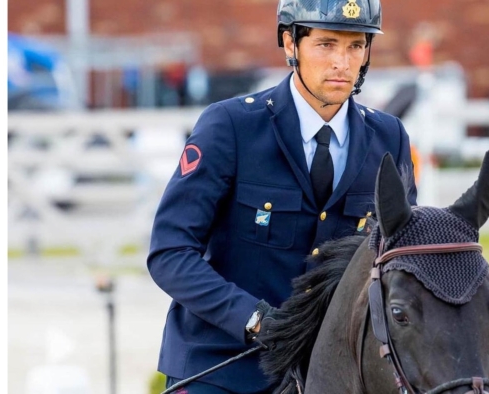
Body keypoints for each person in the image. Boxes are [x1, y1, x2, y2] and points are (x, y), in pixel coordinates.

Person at [147, 1, 417, 392]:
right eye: (326, 45)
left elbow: (401, 259)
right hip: (223, 367)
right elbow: (170, 253)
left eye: (356, 46)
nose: (343, 62)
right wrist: (253, 319)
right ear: (290, 43)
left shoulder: (389, 138)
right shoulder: (231, 127)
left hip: (334, 376)